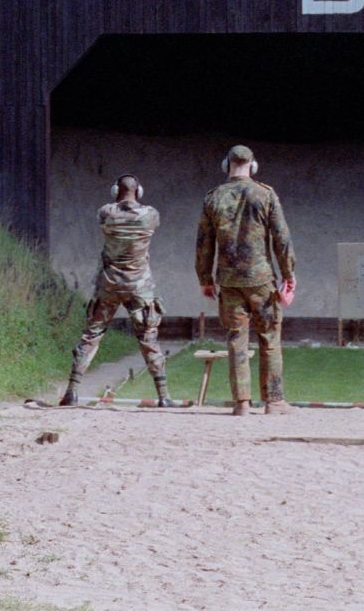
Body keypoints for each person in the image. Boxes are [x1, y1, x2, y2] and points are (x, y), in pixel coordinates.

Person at [59, 174, 178, 408]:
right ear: (139, 191)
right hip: (139, 287)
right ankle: (164, 396)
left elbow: (109, 213)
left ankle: (71, 391)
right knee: (148, 339)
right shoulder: (150, 215)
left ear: (116, 191)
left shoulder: (106, 213)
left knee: (91, 336)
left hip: (109, 284)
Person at [194, 144, 297, 415]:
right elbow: (281, 239)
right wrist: (288, 273)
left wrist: (205, 278)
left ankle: (242, 403)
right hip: (261, 280)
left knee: (236, 339)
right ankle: (274, 401)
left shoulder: (213, 197)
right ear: (253, 166)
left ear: (226, 164)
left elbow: (204, 244)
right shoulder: (265, 195)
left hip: (228, 281)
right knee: (269, 338)